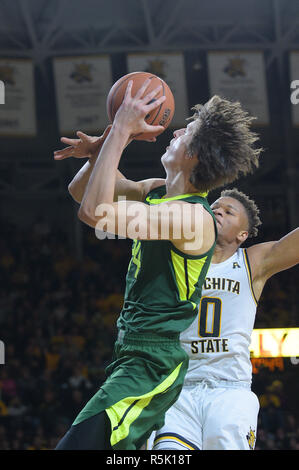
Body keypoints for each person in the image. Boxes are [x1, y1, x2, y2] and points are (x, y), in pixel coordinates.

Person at [53, 79, 261, 450]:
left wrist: (121, 131)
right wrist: (102, 147)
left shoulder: (195, 219)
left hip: (153, 365)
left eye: (187, 131)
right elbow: (80, 192)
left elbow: (96, 213)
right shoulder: (157, 192)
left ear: (195, 154)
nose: (176, 130)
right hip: (131, 355)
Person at [146, 187, 299, 450]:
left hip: (229, 389)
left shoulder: (253, 261)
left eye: (229, 211)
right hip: (176, 388)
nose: (217, 210)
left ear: (243, 234)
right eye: (215, 206)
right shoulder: (176, 256)